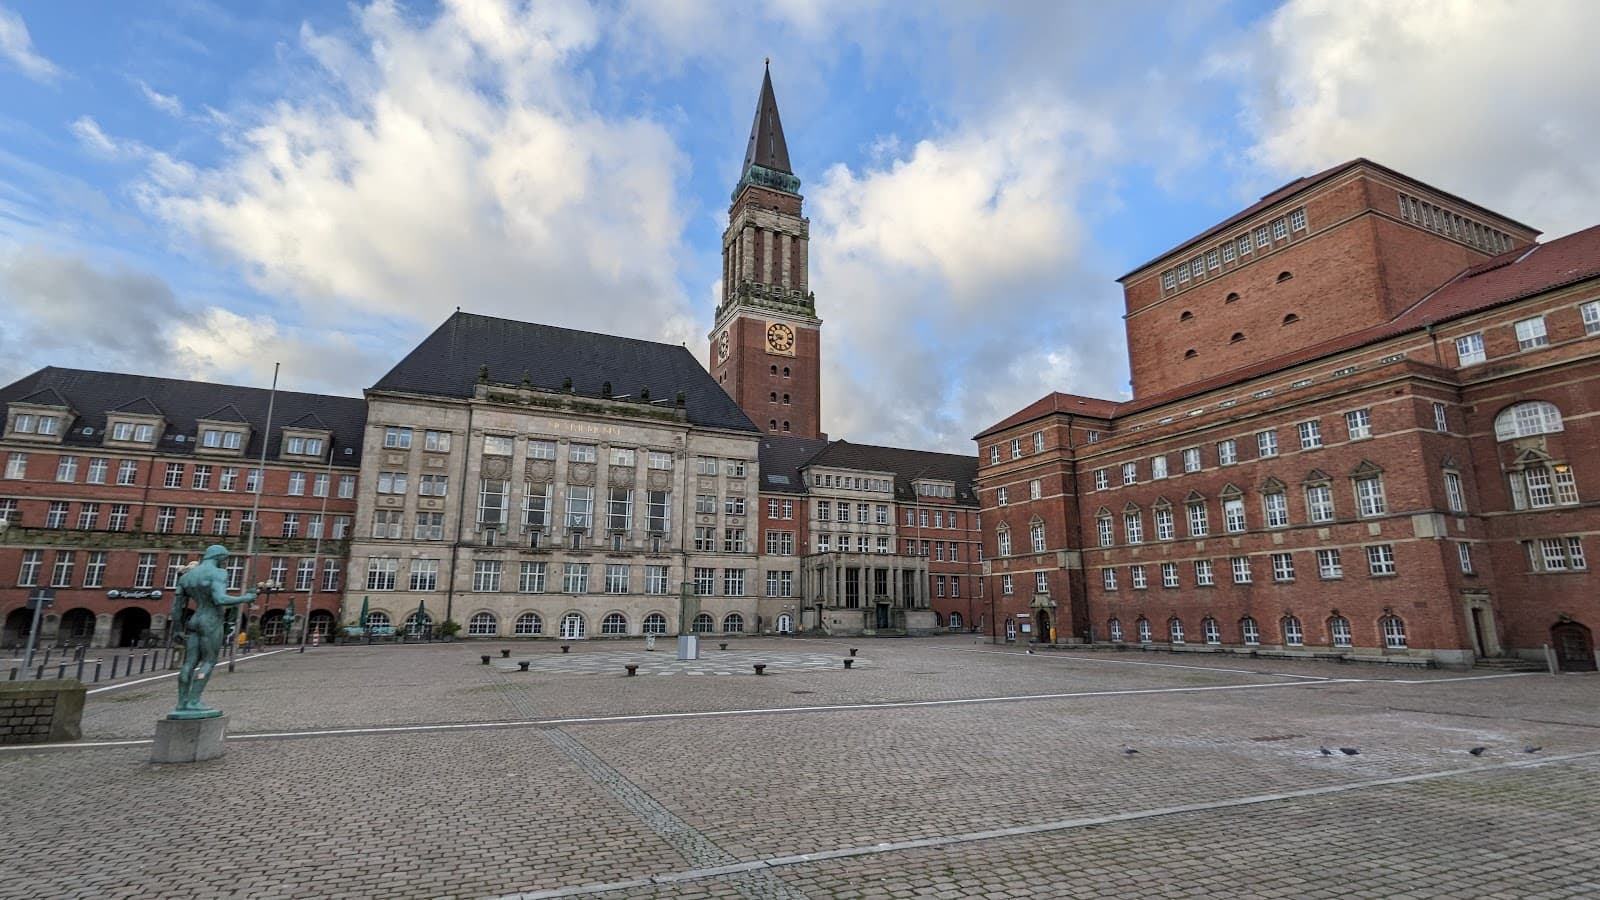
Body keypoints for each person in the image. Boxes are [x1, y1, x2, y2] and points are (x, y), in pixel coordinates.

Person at [168, 545, 255, 719]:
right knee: (208, 661)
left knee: (188, 664)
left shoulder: (186, 576)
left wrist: (177, 628)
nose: (225, 562)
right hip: (211, 620)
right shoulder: (219, 573)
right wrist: (245, 598)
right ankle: (194, 701)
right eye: (225, 559)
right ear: (220, 557)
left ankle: (182, 702)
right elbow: (220, 599)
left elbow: (177, 607)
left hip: (195, 619)